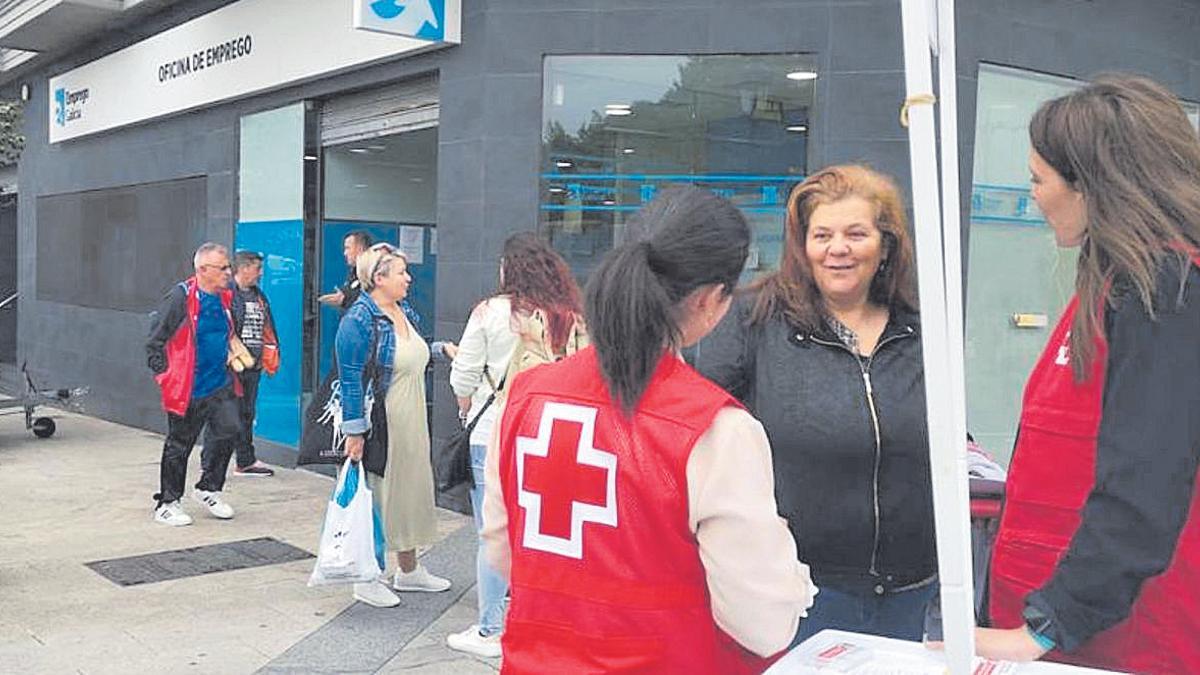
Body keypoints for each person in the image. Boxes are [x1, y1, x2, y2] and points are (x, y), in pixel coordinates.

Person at [481, 187, 815, 673]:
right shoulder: (717, 429)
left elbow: (503, 550)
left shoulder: (526, 395)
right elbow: (761, 624)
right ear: (709, 301)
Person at [978, 76, 1200, 674]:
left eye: (1038, 178)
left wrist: (1050, 626)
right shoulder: (1119, 283)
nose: (1032, 196)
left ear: (1090, 185)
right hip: (1090, 629)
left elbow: (1146, 479)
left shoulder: (1166, 290)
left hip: (1126, 638)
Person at [694, 165, 936, 644]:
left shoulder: (921, 328)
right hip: (799, 590)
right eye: (821, 234)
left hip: (909, 590)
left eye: (856, 233)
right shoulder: (754, 320)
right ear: (803, 247)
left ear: (885, 245)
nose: (838, 248)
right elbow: (695, 434)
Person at [444, 232, 585, 658]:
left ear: (511, 269)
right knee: (540, 531)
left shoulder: (490, 313)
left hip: (497, 432)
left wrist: (466, 408)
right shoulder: (569, 315)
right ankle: (533, 613)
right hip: (553, 436)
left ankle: (490, 629)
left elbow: (462, 376)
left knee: (495, 532)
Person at [337, 242, 452, 608]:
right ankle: (366, 577)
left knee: (409, 492)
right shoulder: (358, 320)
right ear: (378, 277)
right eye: (401, 272)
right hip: (382, 423)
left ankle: (408, 570)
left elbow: (412, 355)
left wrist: (441, 350)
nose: (409, 277)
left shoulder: (404, 312)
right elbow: (351, 379)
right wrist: (355, 432)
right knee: (378, 496)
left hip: (412, 419)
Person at [145, 242, 243, 526]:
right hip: (188, 387)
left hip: (220, 383)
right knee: (180, 444)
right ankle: (168, 503)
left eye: (229, 266)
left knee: (229, 430)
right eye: (223, 268)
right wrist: (165, 377)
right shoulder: (180, 297)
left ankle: (208, 488)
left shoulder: (226, 298)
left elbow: (227, 333)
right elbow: (155, 342)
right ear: (203, 270)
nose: (229, 272)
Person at [201, 250, 278, 478]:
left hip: (252, 366)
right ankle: (210, 463)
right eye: (257, 268)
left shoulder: (259, 296)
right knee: (223, 414)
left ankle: (245, 461)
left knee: (246, 413)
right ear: (243, 268)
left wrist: (268, 356)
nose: (260, 274)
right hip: (229, 366)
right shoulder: (226, 295)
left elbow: (267, 329)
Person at [318, 230, 372, 310]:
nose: (345, 253)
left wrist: (345, 300)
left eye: (348, 248)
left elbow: (372, 302)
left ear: (360, 249)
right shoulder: (354, 272)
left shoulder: (374, 273)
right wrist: (342, 297)